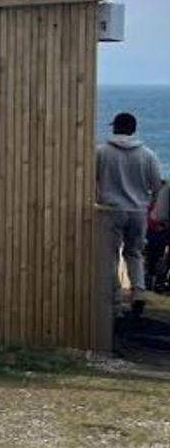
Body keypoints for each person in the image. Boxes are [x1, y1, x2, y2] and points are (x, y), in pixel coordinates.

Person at [97, 112, 163, 317]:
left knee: (110, 257)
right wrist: (150, 206)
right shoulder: (147, 155)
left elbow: (90, 179)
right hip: (138, 211)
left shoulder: (101, 152)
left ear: (115, 128)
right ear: (133, 129)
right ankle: (139, 293)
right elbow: (157, 185)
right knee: (134, 253)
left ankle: (115, 305)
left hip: (110, 211)